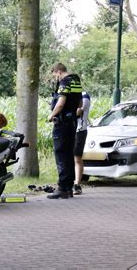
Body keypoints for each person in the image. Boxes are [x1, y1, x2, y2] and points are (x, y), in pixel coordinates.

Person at [47, 63, 82, 199]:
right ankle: (69, 189)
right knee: (68, 155)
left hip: (61, 124)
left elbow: (61, 103)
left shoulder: (64, 83)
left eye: (55, 75)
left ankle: (62, 188)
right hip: (72, 122)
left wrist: (51, 115)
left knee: (61, 155)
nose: (56, 78)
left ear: (59, 72)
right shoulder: (76, 82)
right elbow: (79, 104)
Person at [73, 91, 91, 195]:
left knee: (77, 158)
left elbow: (78, 112)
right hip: (69, 130)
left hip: (79, 130)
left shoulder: (84, 96)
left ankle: (77, 184)